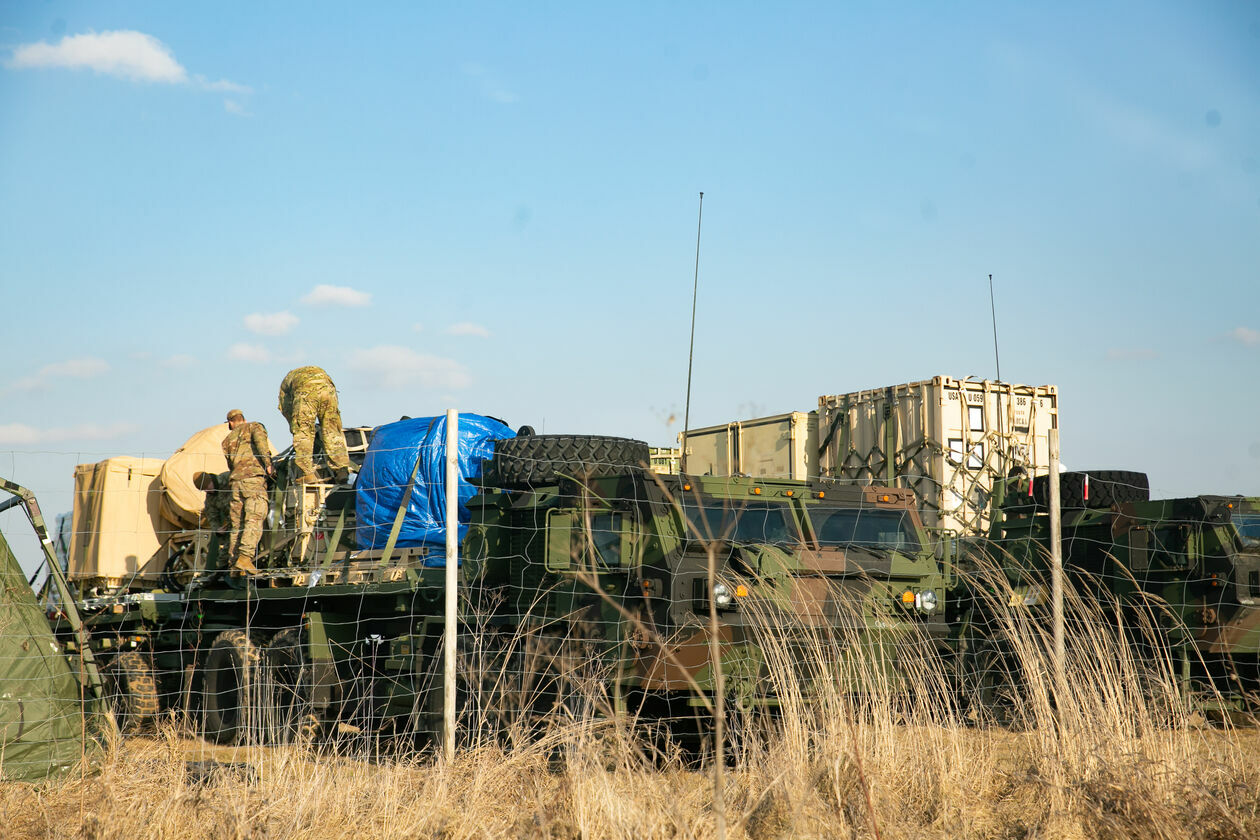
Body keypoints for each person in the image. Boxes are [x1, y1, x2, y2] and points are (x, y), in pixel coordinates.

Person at [221, 409, 275, 575]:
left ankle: (234, 565)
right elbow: (261, 444)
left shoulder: (226, 440)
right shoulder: (254, 427)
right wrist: (268, 464)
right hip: (253, 480)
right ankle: (245, 558)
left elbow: (231, 464)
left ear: (231, 423)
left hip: (236, 483)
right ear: (243, 419)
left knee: (237, 524)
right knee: (254, 517)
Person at [277, 366, 351, 485]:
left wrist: (294, 426)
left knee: (304, 432)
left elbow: (285, 409)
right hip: (328, 388)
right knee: (332, 430)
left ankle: (307, 474)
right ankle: (341, 470)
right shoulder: (314, 372)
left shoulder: (286, 383)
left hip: (306, 391)